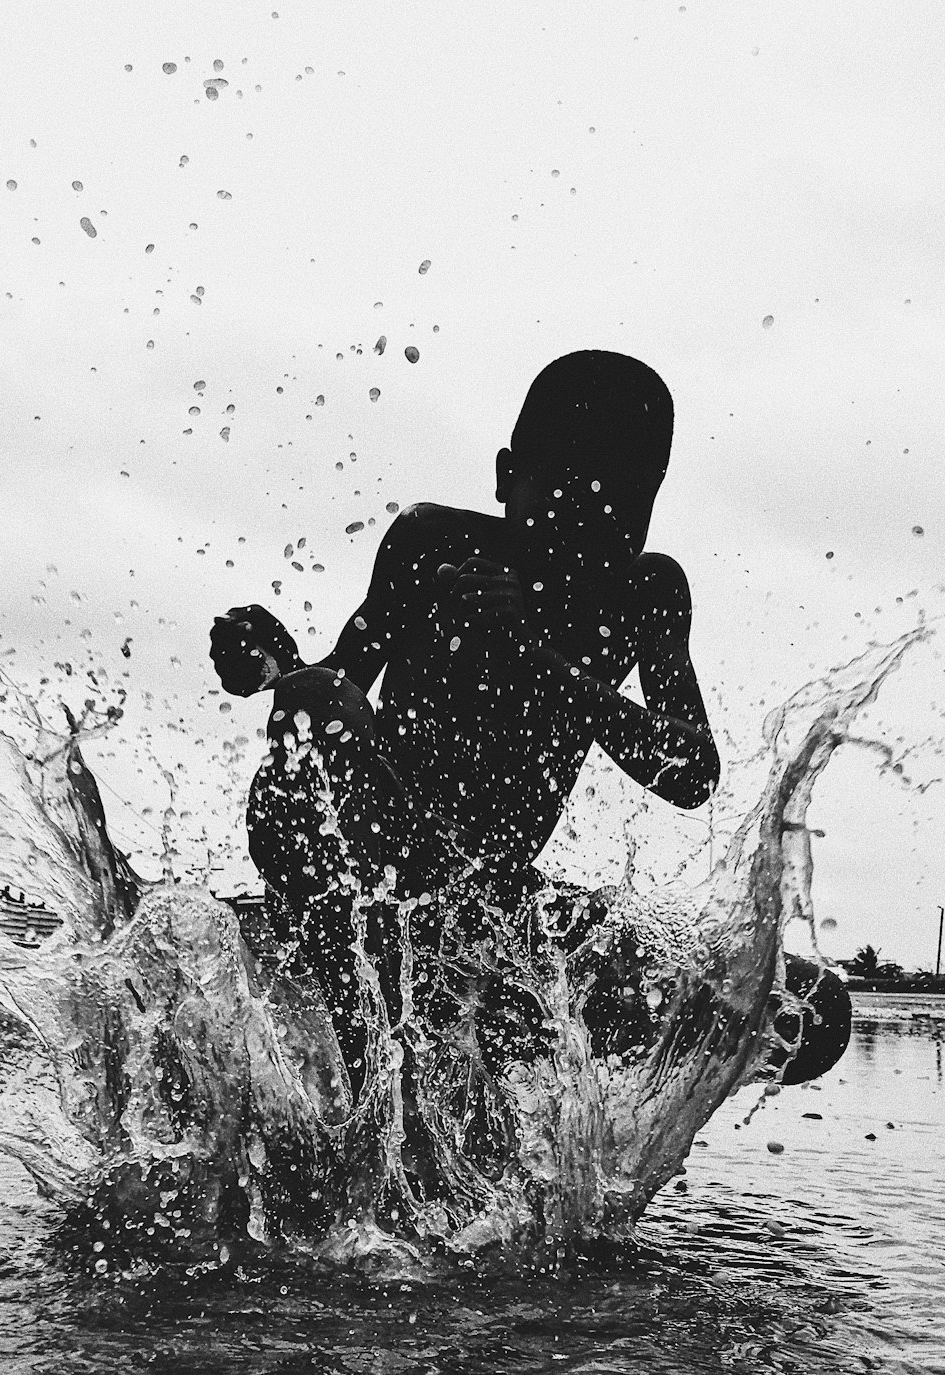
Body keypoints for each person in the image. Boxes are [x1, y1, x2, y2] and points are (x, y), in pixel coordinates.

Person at [210, 350, 847, 1091]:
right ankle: (360, 1029)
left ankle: (495, 1078)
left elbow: (692, 769)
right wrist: (277, 666)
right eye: (573, 508)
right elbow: (334, 699)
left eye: (627, 516)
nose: (591, 546)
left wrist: (539, 656)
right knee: (314, 698)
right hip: (383, 867)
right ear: (508, 478)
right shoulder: (434, 546)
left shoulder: (644, 593)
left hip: (504, 912)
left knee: (816, 1008)